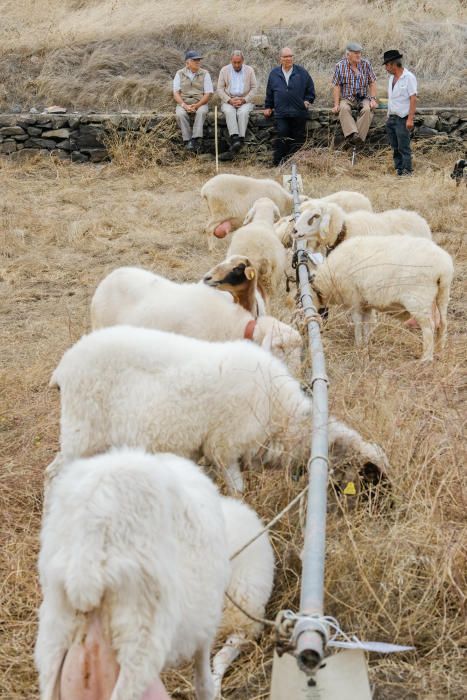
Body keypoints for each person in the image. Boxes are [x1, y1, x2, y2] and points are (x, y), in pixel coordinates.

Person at [264, 47, 315, 167]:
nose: (288, 59)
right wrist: (268, 106)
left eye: (290, 56)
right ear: (280, 59)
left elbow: (310, 90)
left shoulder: (302, 72)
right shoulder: (274, 73)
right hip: (281, 112)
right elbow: (269, 92)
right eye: (285, 57)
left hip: (299, 112)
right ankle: (278, 163)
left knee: (298, 138)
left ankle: (294, 163)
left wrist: (307, 101)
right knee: (282, 134)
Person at [331, 42, 378, 145]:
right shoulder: (340, 66)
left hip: (363, 97)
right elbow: (336, 85)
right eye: (355, 53)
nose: (358, 55)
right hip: (347, 98)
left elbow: (372, 82)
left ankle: (355, 139)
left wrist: (373, 99)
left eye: (359, 53)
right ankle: (354, 134)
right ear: (348, 55)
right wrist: (336, 104)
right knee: (343, 109)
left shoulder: (366, 64)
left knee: (367, 109)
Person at [383, 49, 417, 176]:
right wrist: (388, 116)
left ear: (393, 64)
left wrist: (410, 119)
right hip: (391, 118)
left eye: (387, 65)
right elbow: (392, 99)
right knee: (395, 147)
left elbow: (413, 98)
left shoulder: (409, 77)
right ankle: (399, 170)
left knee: (404, 147)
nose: (386, 68)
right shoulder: (391, 78)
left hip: (403, 118)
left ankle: (407, 172)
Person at [217, 50, 257, 154]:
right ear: (231, 61)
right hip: (229, 99)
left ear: (243, 61)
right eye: (234, 62)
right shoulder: (224, 70)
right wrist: (230, 100)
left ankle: (241, 138)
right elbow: (220, 89)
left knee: (242, 113)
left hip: (245, 100)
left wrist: (244, 100)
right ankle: (235, 138)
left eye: (239, 62)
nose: (237, 65)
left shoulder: (250, 70)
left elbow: (254, 88)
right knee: (230, 112)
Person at [173, 50, 213, 152]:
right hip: (184, 102)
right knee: (180, 114)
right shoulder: (179, 73)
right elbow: (176, 93)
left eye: (199, 60)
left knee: (202, 112)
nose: (198, 62)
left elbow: (208, 93)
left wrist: (197, 105)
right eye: (195, 60)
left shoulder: (205, 73)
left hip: (200, 102)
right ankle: (187, 140)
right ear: (187, 63)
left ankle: (195, 139)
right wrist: (184, 105)